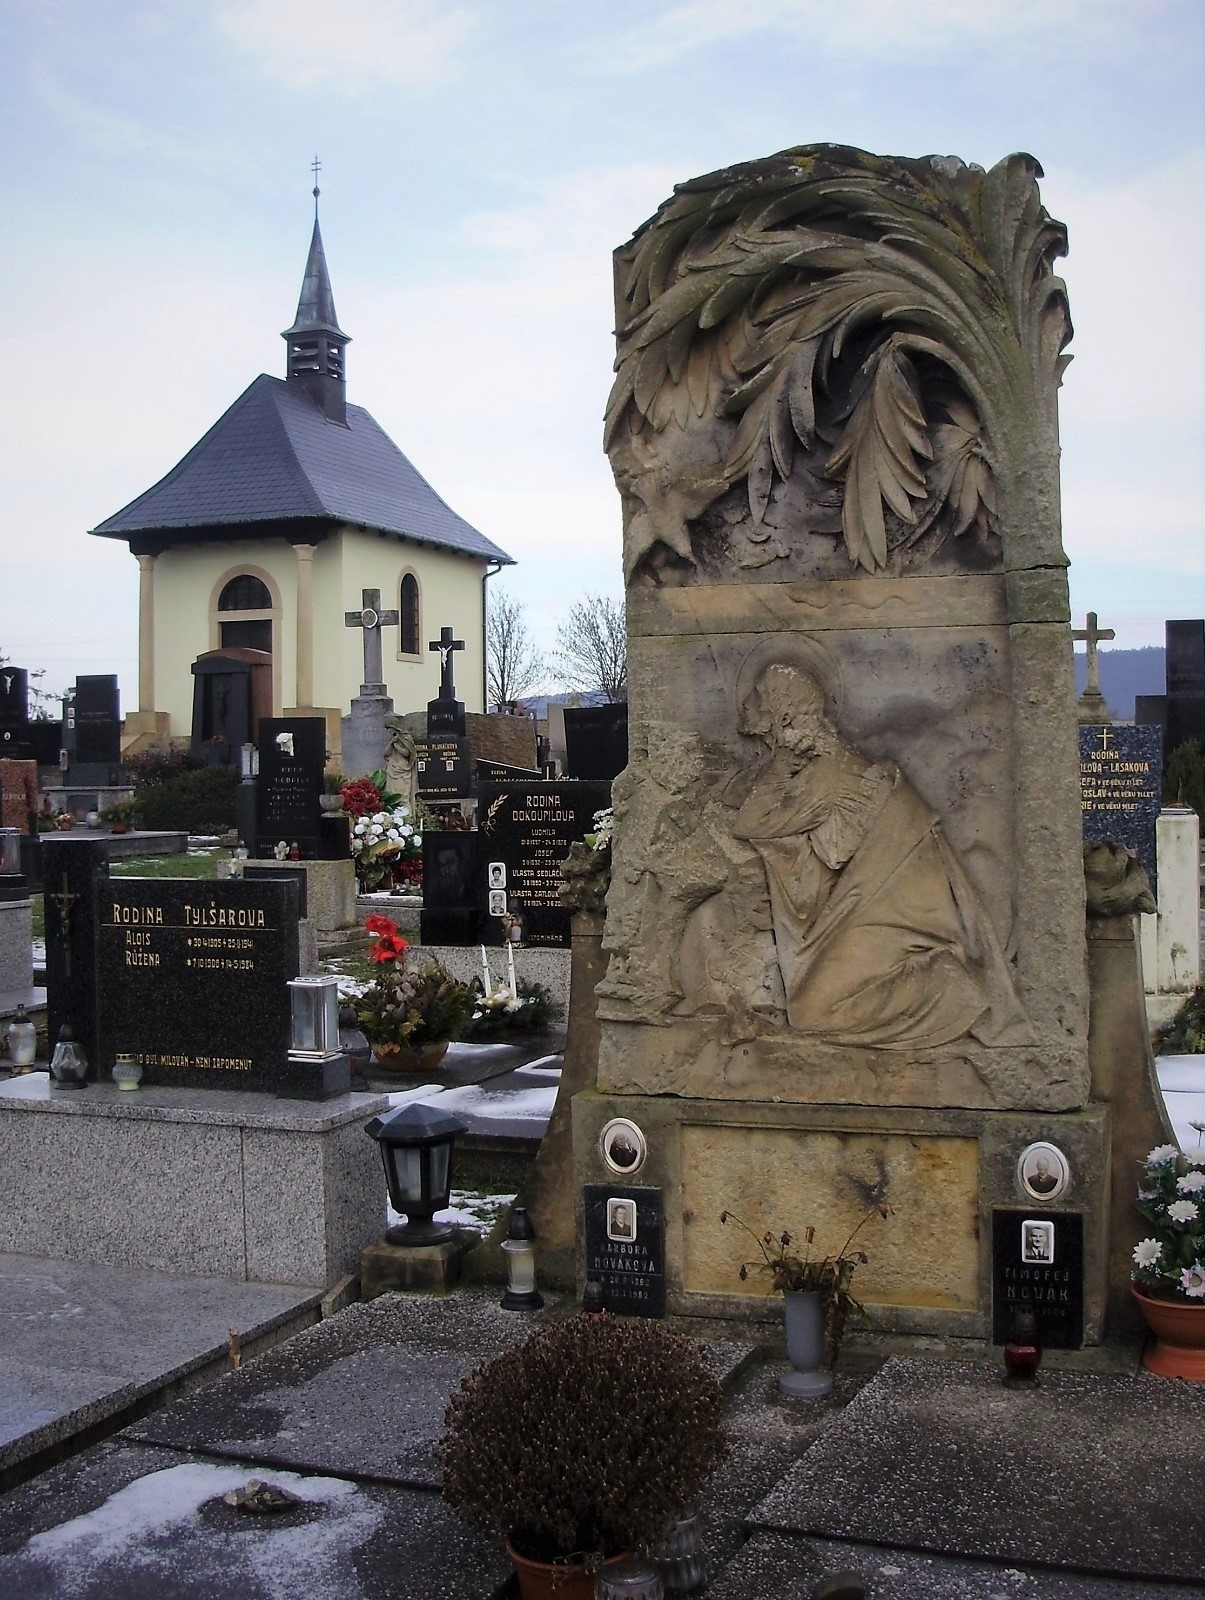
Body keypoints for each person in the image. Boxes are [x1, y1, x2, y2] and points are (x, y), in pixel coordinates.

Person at [728, 662, 1029, 1050]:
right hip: (876, 900)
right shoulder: (824, 764)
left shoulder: (826, 776)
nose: (747, 706)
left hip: (899, 907)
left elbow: (749, 822)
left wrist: (780, 765)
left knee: (811, 1011)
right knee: (811, 1006)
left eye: (757, 699)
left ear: (783, 717)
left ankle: (948, 988)